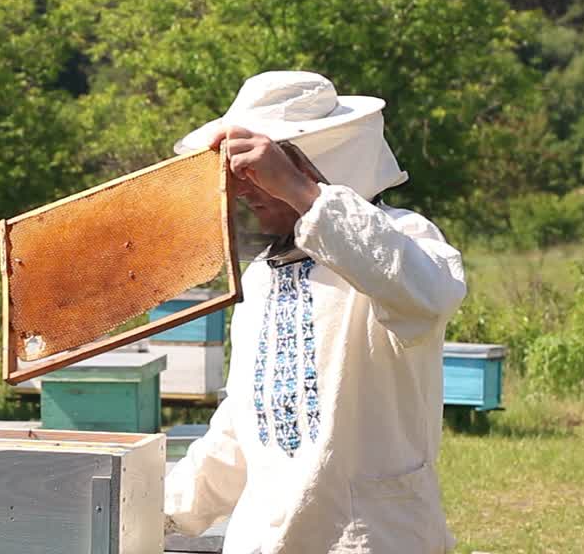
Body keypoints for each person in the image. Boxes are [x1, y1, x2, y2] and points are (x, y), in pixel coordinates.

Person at [164, 70, 467, 554]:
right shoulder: (263, 275)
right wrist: (163, 512)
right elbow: (243, 425)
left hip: (369, 538)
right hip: (263, 541)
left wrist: (300, 191)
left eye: (257, 170)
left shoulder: (403, 237)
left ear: (317, 161)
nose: (245, 189)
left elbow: (426, 295)